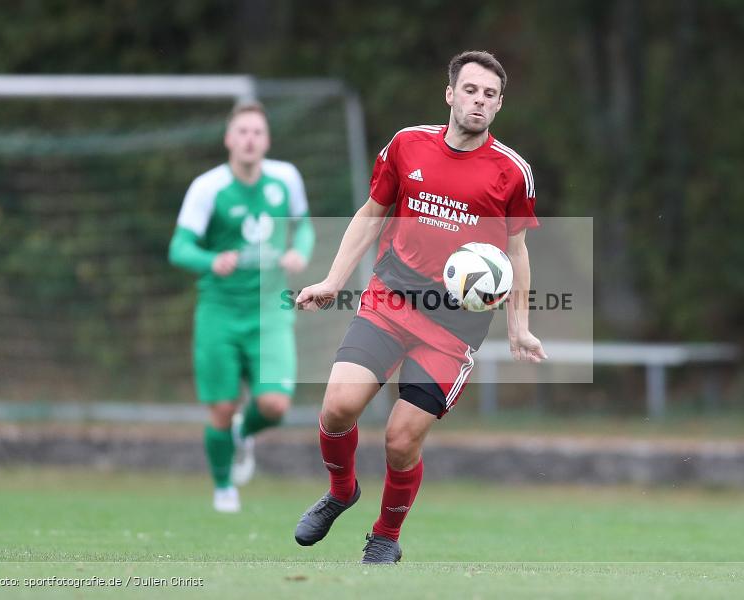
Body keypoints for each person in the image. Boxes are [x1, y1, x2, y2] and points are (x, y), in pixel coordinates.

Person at [294, 50, 546, 562]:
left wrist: (520, 327)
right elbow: (370, 216)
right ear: (450, 93)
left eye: (490, 95)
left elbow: (517, 252)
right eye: (471, 90)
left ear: (499, 105)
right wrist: (331, 281)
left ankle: (385, 536)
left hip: (455, 326)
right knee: (338, 406)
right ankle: (342, 491)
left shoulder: (512, 173)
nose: (479, 101)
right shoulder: (407, 145)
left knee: (400, 439)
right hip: (389, 299)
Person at [168, 100, 314, 512]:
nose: (250, 140)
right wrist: (211, 260)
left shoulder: (286, 179)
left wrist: (300, 252)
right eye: (242, 132)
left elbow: (302, 226)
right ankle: (223, 488)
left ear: (266, 140)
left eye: (257, 132)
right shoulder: (208, 187)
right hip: (219, 312)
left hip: (270, 312)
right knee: (221, 408)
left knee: (274, 405)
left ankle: (243, 434)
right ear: (229, 139)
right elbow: (178, 248)